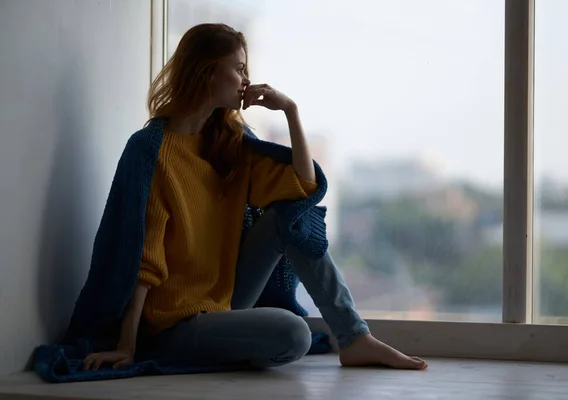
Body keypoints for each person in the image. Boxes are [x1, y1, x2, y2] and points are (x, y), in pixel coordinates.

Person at [82, 23, 427, 372]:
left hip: (223, 301)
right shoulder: (151, 149)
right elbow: (144, 259)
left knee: (288, 219)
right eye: (239, 68)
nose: (247, 80)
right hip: (174, 324)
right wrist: (127, 345)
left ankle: (354, 338)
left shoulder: (230, 141)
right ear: (206, 71)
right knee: (294, 335)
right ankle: (230, 346)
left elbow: (301, 191)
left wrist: (291, 111)